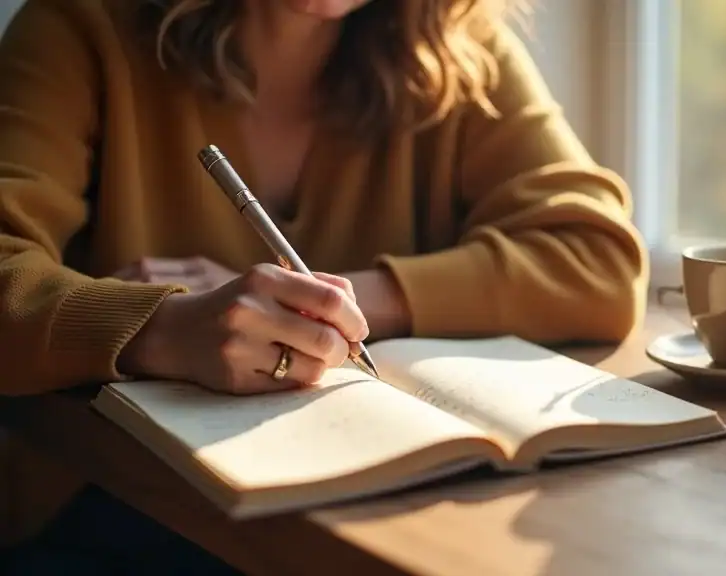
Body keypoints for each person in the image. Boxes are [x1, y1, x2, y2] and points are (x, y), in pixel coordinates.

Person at [0, 0, 647, 572]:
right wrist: (160, 328)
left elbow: (598, 261)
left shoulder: (455, 43)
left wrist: (339, 305)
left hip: (375, 507)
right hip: (113, 509)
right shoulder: (83, 25)